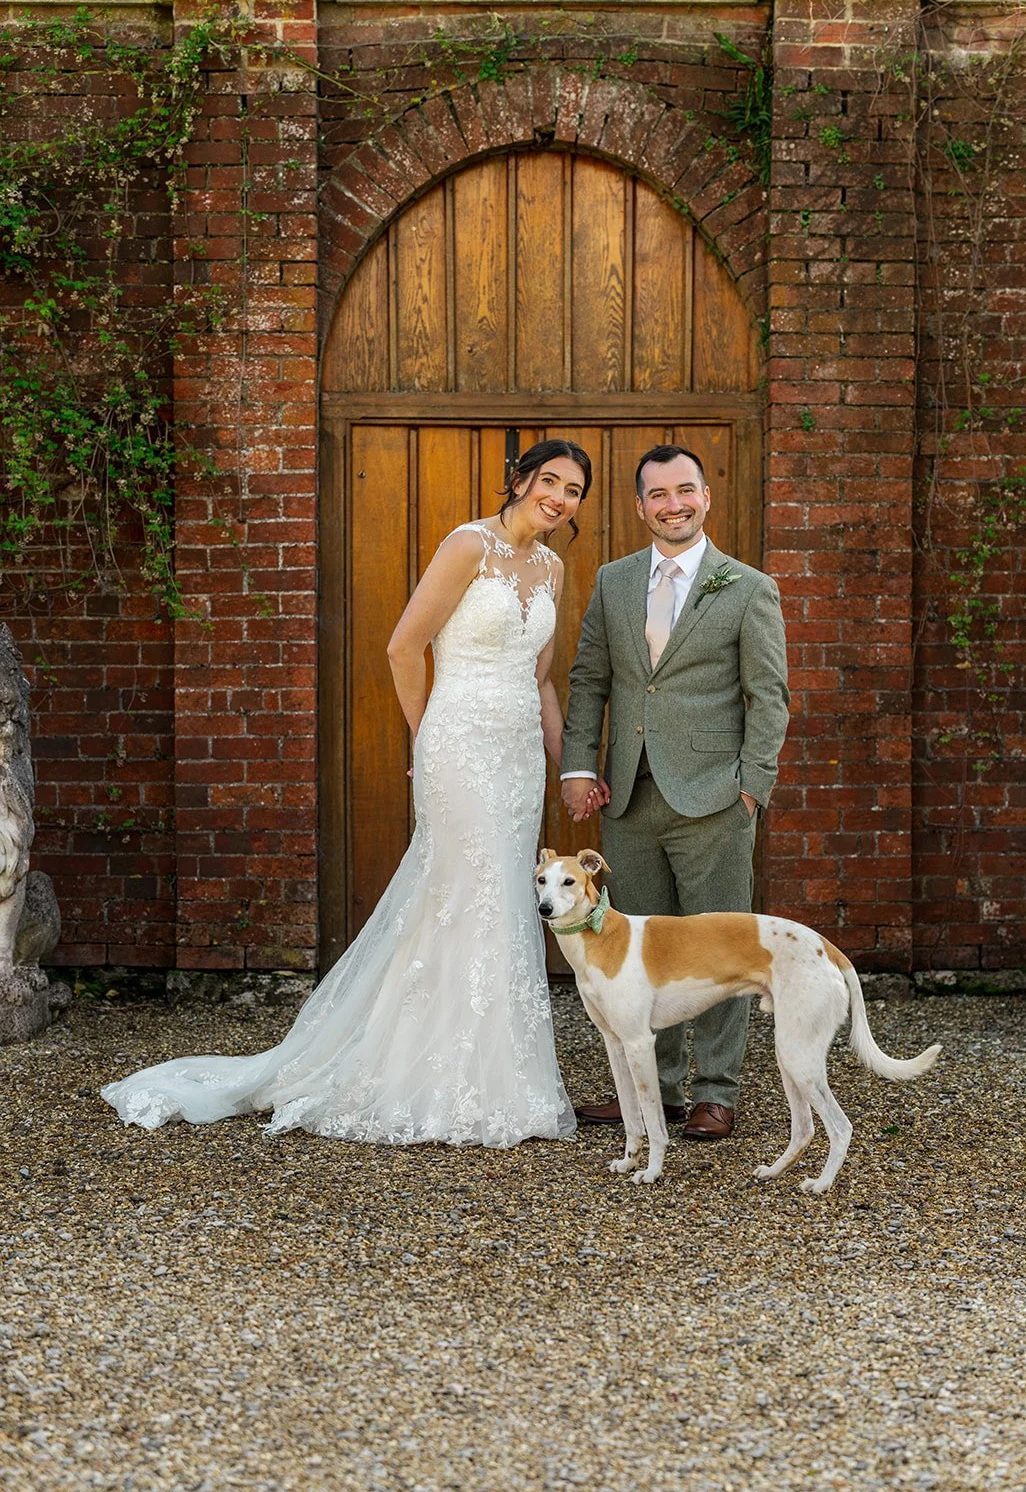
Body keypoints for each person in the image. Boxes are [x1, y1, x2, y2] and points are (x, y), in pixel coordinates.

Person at [102, 441, 597, 1147]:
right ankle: (429, 1079)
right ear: (518, 482)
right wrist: (426, 741)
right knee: (471, 889)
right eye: (548, 480)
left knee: (493, 905)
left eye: (573, 489)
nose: (558, 496)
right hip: (456, 744)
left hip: (518, 758)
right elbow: (404, 647)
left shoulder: (550, 567)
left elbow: (540, 678)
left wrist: (570, 763)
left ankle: (493, 1075)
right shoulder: (468, 545)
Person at [560, 443, 789, 1140]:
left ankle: (716, 1093)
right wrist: (576, 767)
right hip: (626, 798)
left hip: (714, 799)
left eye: (684, 490)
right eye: (657, 495)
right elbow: (589, 680)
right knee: (632, 952)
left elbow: (768, 696)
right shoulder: (613, 580)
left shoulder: (745, 587)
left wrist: (751, 788)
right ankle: (648, 1093)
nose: (673, 505)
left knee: (721, 950)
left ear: (705, 496)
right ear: (639, 507)